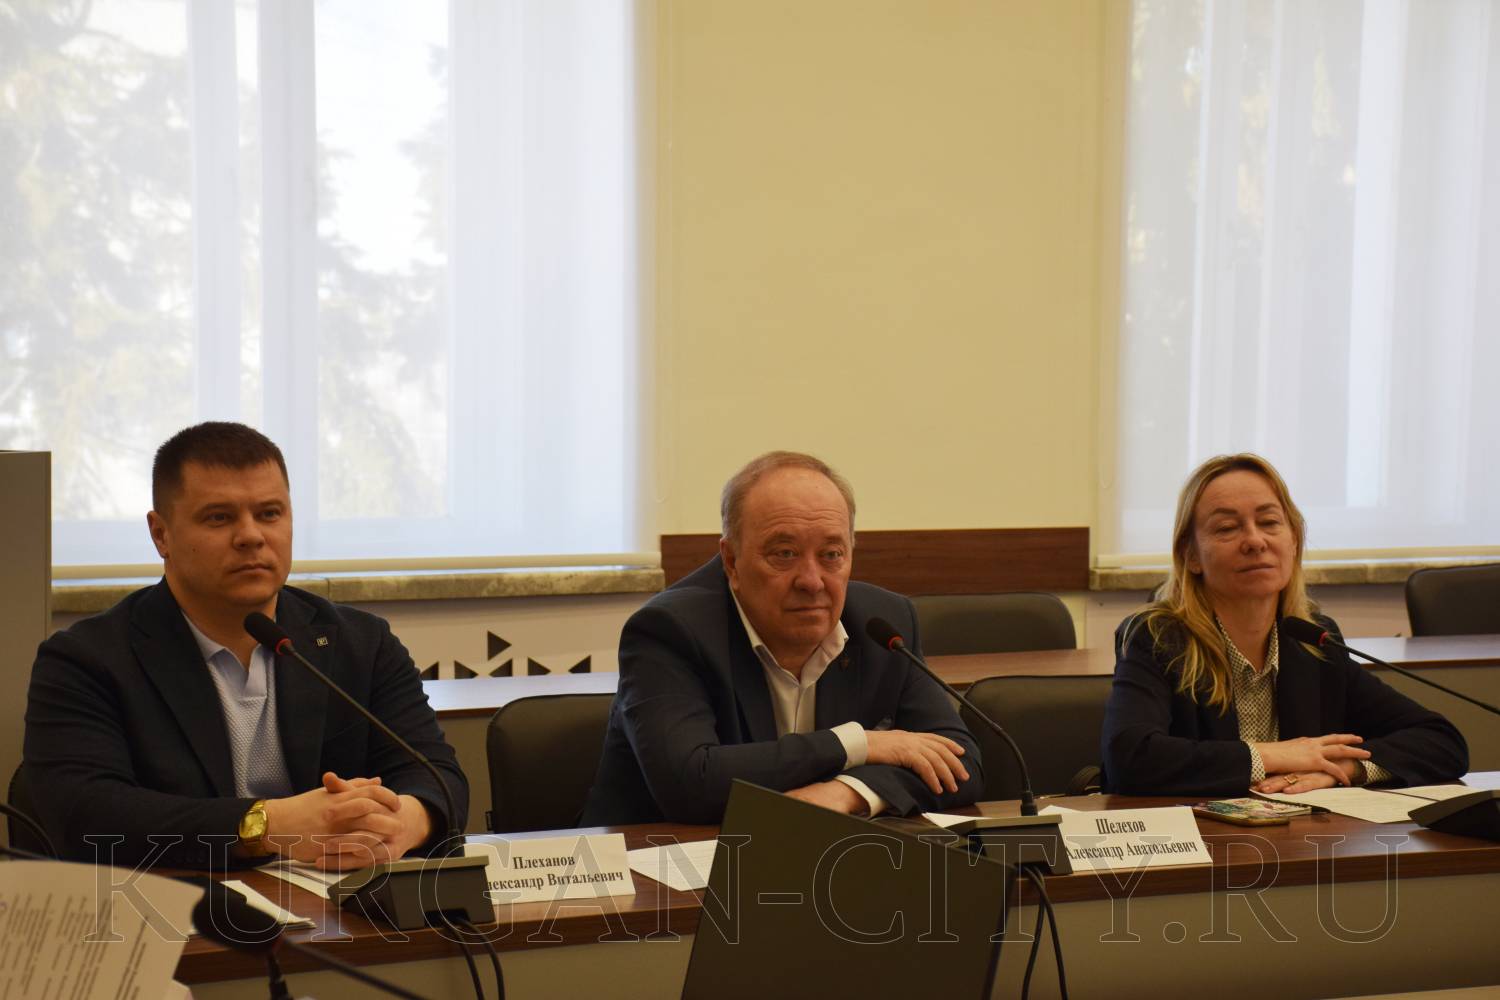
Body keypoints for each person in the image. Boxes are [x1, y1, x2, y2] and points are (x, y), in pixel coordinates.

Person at [23, 422, 466, 869]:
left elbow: (436, 775)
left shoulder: (361, 643)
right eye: (219, 517)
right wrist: (268, 824)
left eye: (270, 514)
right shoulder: (87, 660)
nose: (251, 536)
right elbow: (86, 816)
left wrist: (405, 822)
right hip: (177, 900)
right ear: (161, 534)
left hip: (332, 896)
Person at [582, 451, 984, 826]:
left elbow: (960, 765)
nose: (812, 581)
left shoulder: (883, 624)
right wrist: (858, 744)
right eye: (785, 554)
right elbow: (692, 783)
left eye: (831, 554)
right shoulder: (670, 630)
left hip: (813, 858)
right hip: (658, 866)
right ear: (731, 561)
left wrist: (846, 792)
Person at [1101, 453, 1468, 797]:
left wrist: (1343, 769)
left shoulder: (1314, 642)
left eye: (1269, 522)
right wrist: (1276, 755)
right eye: (1227, 528)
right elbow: (1129, 759)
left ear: (1293, 540)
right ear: (1191, 555)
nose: (1255, 540)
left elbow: (1442, 741)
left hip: (1299, 836)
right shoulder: (1158, 638)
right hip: (1200, 837)